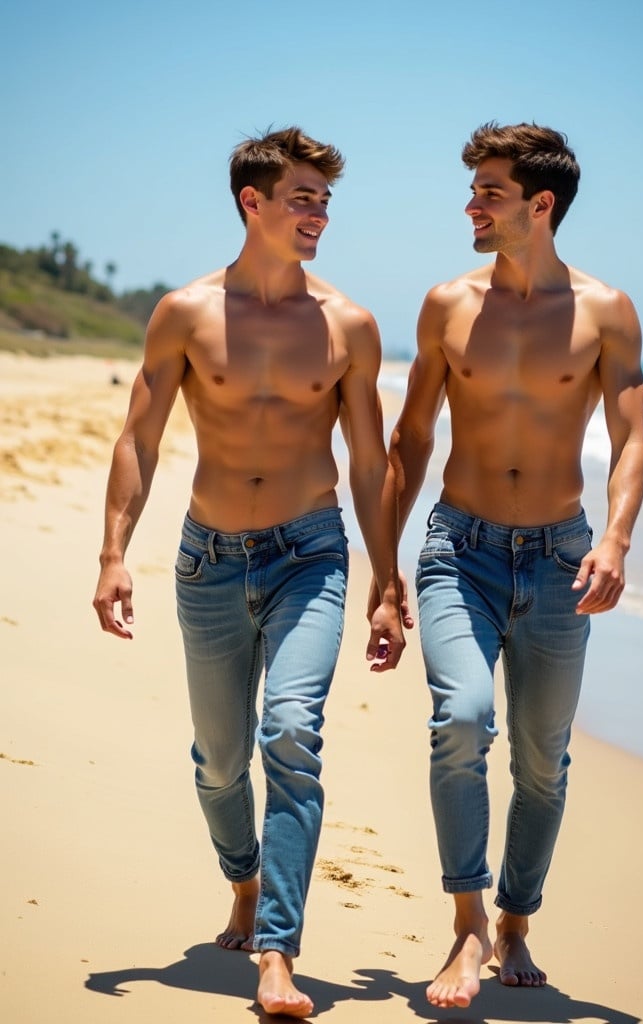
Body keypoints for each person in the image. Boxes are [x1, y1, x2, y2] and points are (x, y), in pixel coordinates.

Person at [93, 126, 405, 1019]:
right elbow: (139, 439)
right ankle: (241, 879)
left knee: (291, 736)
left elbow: (372, 463)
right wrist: (113, 553)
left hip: (313, 553)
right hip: (210, 561)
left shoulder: (348, 324)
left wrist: (384, 582)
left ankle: (278, 950)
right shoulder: (185, 313)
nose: (319, 214)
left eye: (325, 201)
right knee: (221, 763)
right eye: (303, 197)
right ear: (252, 202)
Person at [388, 122, 643, 1008]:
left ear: (540, 205)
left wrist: (614, 540)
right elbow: (412, 435)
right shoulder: (447, 304)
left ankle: (515, 921)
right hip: (458, 547)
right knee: (460, 720)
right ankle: (465, 927)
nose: (472, 204)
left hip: (559, 559)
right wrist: (387, 570)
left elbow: (630, 438)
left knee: (543, 758)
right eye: (473, 189)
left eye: (489, 191)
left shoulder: (605, 310)